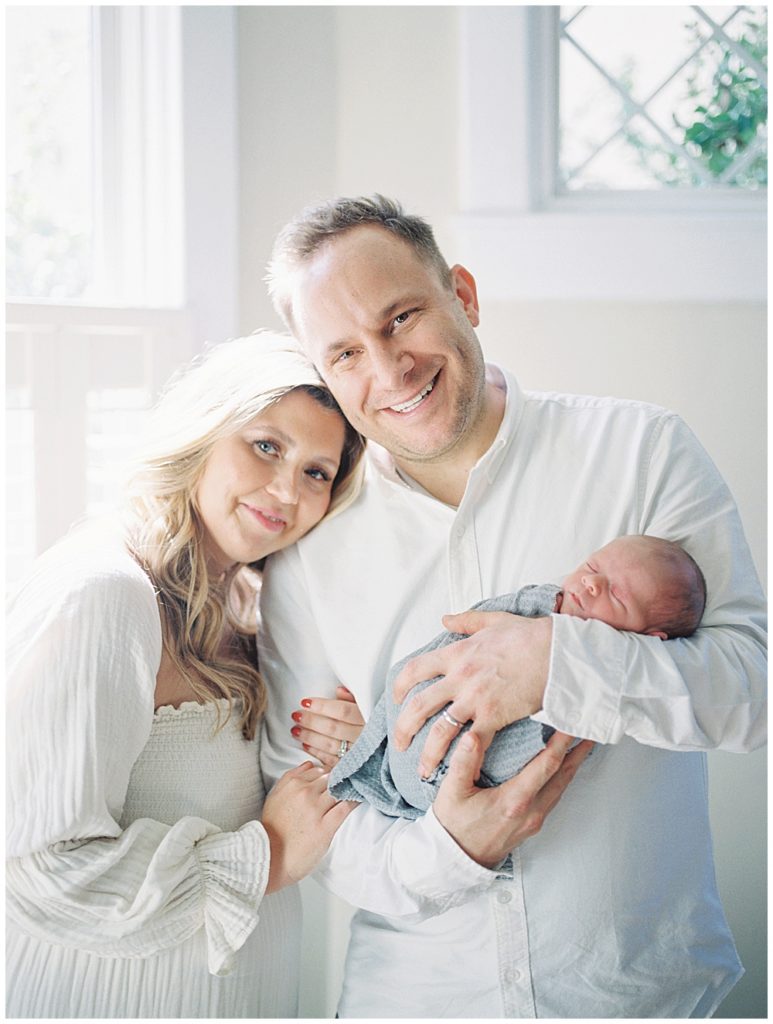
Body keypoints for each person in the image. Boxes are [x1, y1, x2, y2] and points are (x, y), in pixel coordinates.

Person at [259, 195, 767, 1019]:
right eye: (346, 352)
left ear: (463, 294)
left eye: (402, 317)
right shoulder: (310, 553)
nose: (388, 371)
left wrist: (555, 664)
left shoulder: (642, 451)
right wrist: (450, 851)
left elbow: (754, 692)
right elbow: (316, 812)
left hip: (643, 1000)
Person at [6, 332, 367, 1019]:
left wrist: (340, 742)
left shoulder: (247, 599)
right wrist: (266, 856)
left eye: (317, 472)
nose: (287, 490)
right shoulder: (105, 595)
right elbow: (39, 866)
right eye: (266, 446)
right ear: (202, 431)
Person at [328, 534, 707, 818]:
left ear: (648, 639)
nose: (591, 584)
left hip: (456, 788)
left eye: (617, 596)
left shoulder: (602, 693)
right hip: (407, 718)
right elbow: (473, 621)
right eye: (593, 568)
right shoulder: (544, 603)